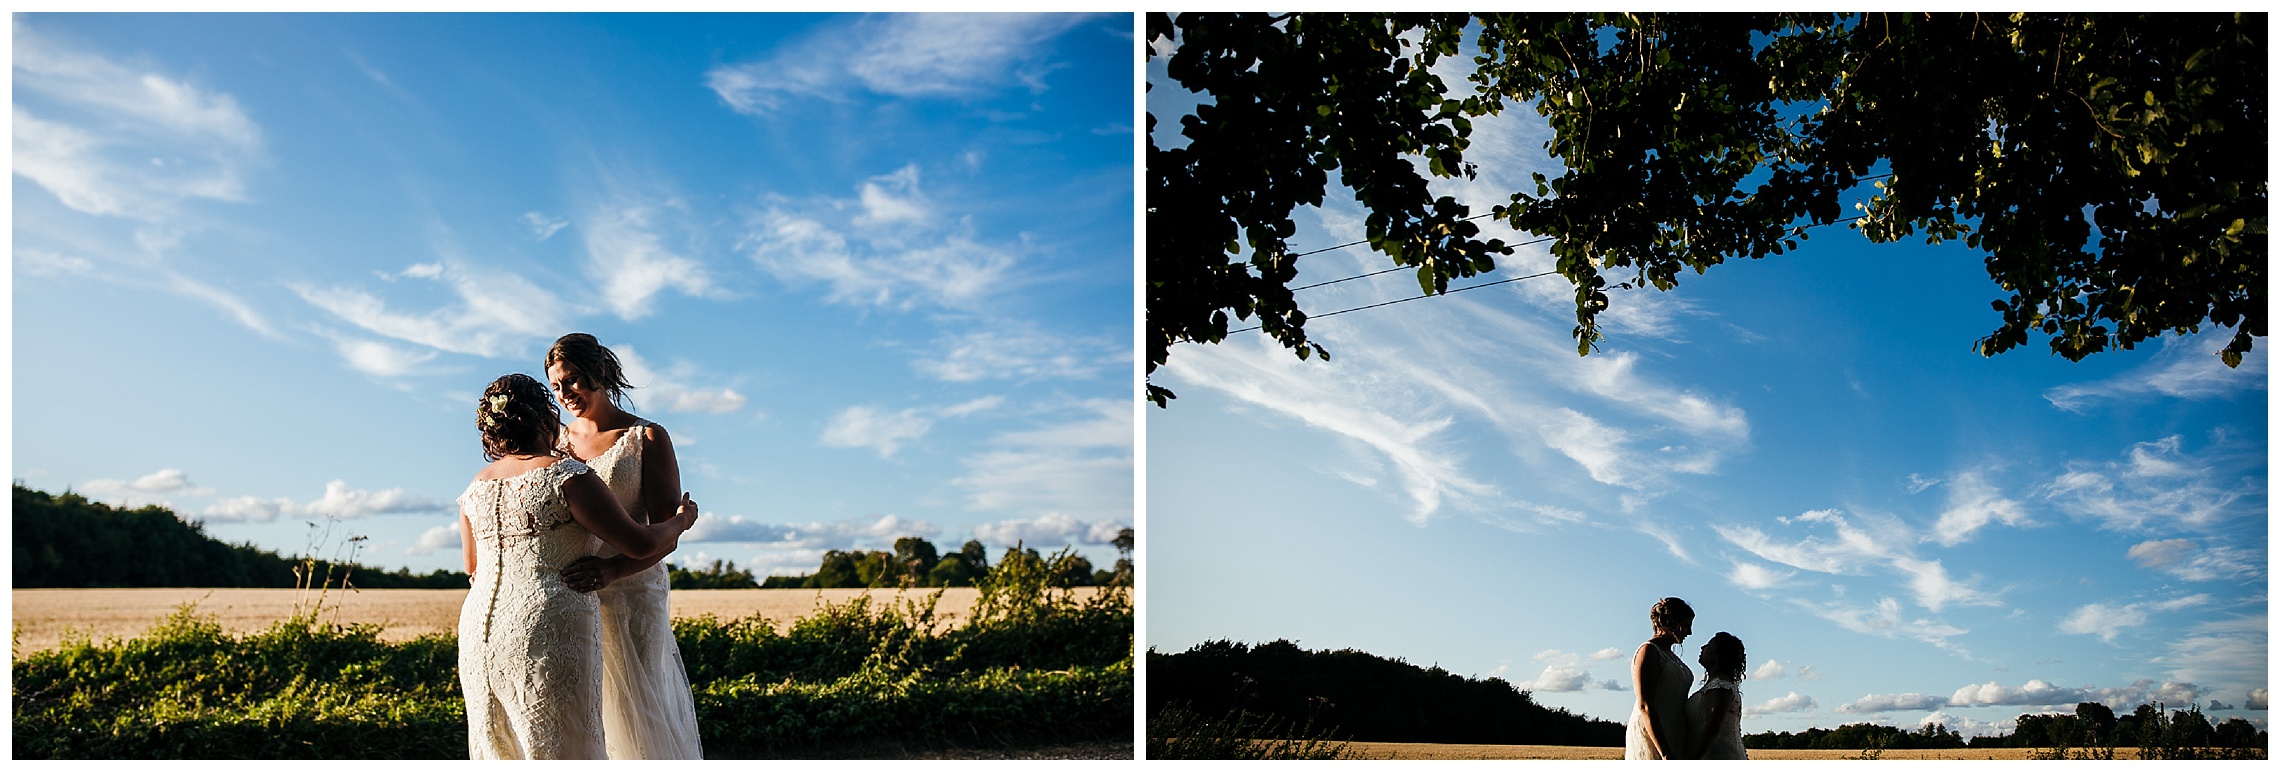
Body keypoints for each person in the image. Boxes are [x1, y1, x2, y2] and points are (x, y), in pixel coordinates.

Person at [456, 373, 698, 759]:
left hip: (479, 634)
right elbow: (639, 542)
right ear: (542, 418)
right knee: (563, 746)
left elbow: (472, 567)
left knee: (501, 747)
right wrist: (683, 520)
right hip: (549, 623)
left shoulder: (476, 487)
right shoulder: (567, 476)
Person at [547, 333, 705, 759]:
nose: (565, 394)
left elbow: (666, 533)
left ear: (599, 372)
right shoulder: (554, 444)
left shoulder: (647, 439)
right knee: (584, 708)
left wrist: (613, 570)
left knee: (638, 708)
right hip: (572, 593)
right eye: (557, 386)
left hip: (632, 591)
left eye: (574, 380)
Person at [1626, 597, 1695, 760]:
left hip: (1673, 732)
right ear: (1668, 622)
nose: (1689, 632)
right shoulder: (1648, 651)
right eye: (1686, 626)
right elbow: (1645, 705)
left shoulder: (1671, 656)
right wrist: (1665, 754)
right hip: (1654, 737)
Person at [1687, 632, 1748, 760]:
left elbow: (1711, 729)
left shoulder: (1720, 688)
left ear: (1718, 656)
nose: (1702, 648)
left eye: (1709, 646)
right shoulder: (1718, 686)